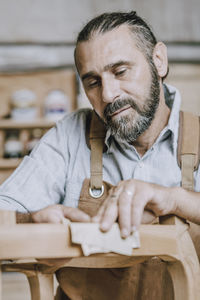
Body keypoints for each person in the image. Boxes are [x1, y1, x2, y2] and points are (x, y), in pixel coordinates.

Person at [0, 11, 200, 299]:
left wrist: (174, 199)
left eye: (120, 72)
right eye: (93, 82)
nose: (107, 94)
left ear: (159, 60)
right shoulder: (69, 136)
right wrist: (31, 223)